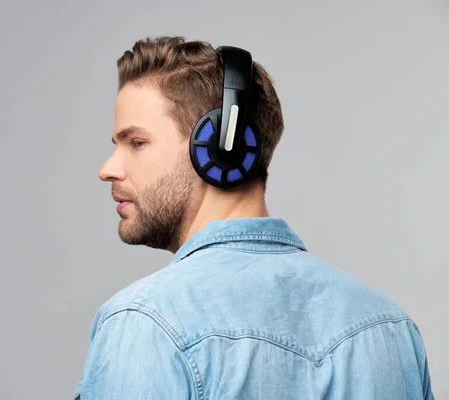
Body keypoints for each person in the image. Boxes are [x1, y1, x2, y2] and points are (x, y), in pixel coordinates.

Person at [74, 36, 434, 399]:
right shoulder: (391, 328)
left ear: (219, 148)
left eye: (136, 142)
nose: (108, 169)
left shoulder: (146, 323)